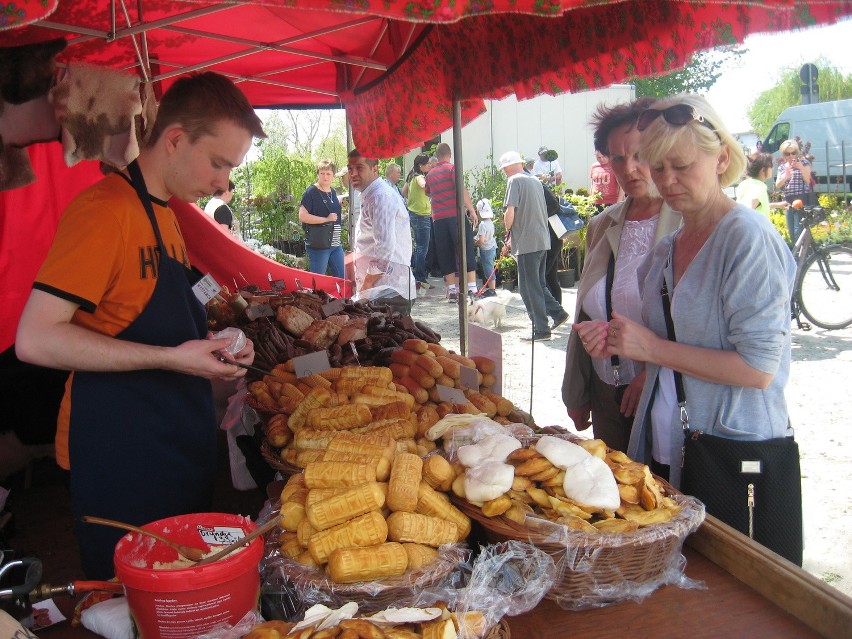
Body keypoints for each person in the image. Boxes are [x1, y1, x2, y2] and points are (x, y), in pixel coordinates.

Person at [14, 71, 265, 579]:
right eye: (219, 163)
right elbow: (35, 339)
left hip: (177, 445)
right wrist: (169, 358)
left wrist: (223, 344)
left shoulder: (167, 217)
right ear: (175, 139)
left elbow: (171, 310)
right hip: (119, 457)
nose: (224, 183)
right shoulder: (104, 213)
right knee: (127, 601)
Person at [574, 95, 797, 556]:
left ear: (722, 158)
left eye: (680, 165)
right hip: (663, 446)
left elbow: (757, 369)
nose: (667, 180)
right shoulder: (667, 249)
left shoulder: (746, 238)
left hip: (729, 454)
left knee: (733, 600)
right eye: (658, 167)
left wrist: (651, 350)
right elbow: (663, 344)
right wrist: (618, 344)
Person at [562, 96, 681, 453]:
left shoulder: (686, 221)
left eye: (639, 153)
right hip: (606, 393)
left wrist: (656, 372)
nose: (629, 168)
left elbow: (700, 325)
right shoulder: (603, 224)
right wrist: (577, 390)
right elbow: (585, 311)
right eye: (617, 157)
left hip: (666, 395)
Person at [500, 150, 569, 341]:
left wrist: (508, 231)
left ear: (509, 166)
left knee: (529, 287)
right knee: (535, 284)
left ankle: (541, 329)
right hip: (542, 239)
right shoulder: (535, 181)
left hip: (527, 242)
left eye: (504, 168)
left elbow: (510, 212)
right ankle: (557, 313)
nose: (504, 172)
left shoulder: (514, 181)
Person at [348, 149, 416, 316]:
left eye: (359, 168)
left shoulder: (380, 196)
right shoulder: (372, 195)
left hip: (388, 291)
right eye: (350, 169)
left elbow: (384, 249)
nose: (354, 173)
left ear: (375, 169)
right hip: (382, 290)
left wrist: (365, 287)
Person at [425, 142, 479, 302]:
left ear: (437, 155)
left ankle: (452, 291)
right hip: (455, 216)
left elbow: (428, 192)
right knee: (465, 248)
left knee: (445, 253)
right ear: (450, 154)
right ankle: (471, 289)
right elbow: (461, 190)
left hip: (438, 219)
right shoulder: (452, 169)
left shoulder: (430, 175)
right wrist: (471, 209)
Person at [299, 159, 345, 278]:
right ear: (318, 174)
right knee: (318, 281)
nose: (325, 176)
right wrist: (326, 219)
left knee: (342, 280)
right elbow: (302, 216)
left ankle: (341, 298)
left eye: (328, 174)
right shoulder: (311, 192)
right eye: (322, 173)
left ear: (333, 176)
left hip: (335, 244)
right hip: (319, 245)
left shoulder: (333, 192)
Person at [402, 153, 433, 291]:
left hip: (413, 213)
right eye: (428, 164)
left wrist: (413, 199)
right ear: (421, 166)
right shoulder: (420, 177)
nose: (430, 166)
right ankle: (420, 277)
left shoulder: (410, 177)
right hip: (421, 215)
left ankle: (415, 275)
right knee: (422, 248)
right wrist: (432, 190)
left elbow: (403, 192)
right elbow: (424, 185)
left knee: (418, 247)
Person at [775, 139, 812, 242]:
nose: (791, 156)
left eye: (793, 153)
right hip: (788, 199)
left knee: (798, 231)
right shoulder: (782, 167)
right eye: (787, 154)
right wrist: (786, 176)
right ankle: (799, 255)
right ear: (783, 154)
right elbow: (778, 185)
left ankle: (800, 256)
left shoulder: (804, 163)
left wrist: (801, 168)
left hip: (801, 198)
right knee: (791, 231)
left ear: (797, 153)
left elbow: (807, 180)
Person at [736, 153, 784, 217]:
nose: (772, 169)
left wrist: (777, 205)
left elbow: (756, 206)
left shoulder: (745, 184)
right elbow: (747, 210)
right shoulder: (758, 188)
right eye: (771, 166)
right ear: (763, 170)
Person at [473, 198, 498, 297]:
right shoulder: (490, 222)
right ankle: (491, 288)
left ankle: (492, 290)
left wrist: (475, 243)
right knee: (490, 267)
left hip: (486, 250)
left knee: (488, 269)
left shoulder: (483, 225)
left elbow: (481, 240)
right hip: (492, 247)